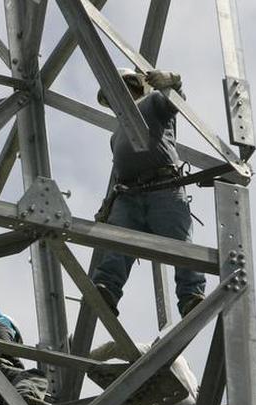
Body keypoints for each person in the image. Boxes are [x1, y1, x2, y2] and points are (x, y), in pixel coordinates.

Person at [90, 68, 207, 318]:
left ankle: (191, 295)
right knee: (118, 245)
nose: (114, 101)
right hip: (128, 195)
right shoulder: (116, 135)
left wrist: (173, 82)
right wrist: (107, 206)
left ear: (133, 86)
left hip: (163, 187)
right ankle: (107, 289)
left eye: (115, 93)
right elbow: (118, 171)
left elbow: (175, 101)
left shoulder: (153, 102)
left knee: (180, 245)